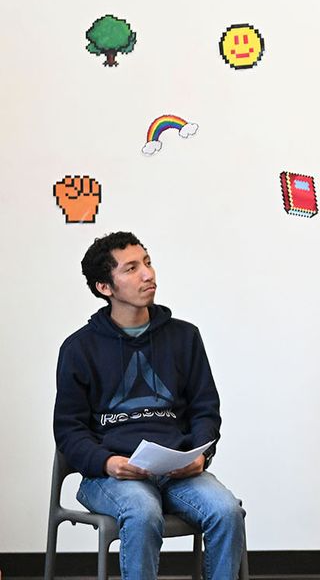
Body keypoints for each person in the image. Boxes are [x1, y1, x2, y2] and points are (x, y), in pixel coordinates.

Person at [54, 232, 245, 580]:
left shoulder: (184, 337)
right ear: (104, 287)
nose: (148, 274)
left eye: (147, 262)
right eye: (131, 268)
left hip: (176, 472)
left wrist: (199, 456)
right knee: (142, 511)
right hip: (110, 475)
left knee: (226, 511)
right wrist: (107, 462)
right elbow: (69, 428)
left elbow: (205, 409)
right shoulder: (78, 349)